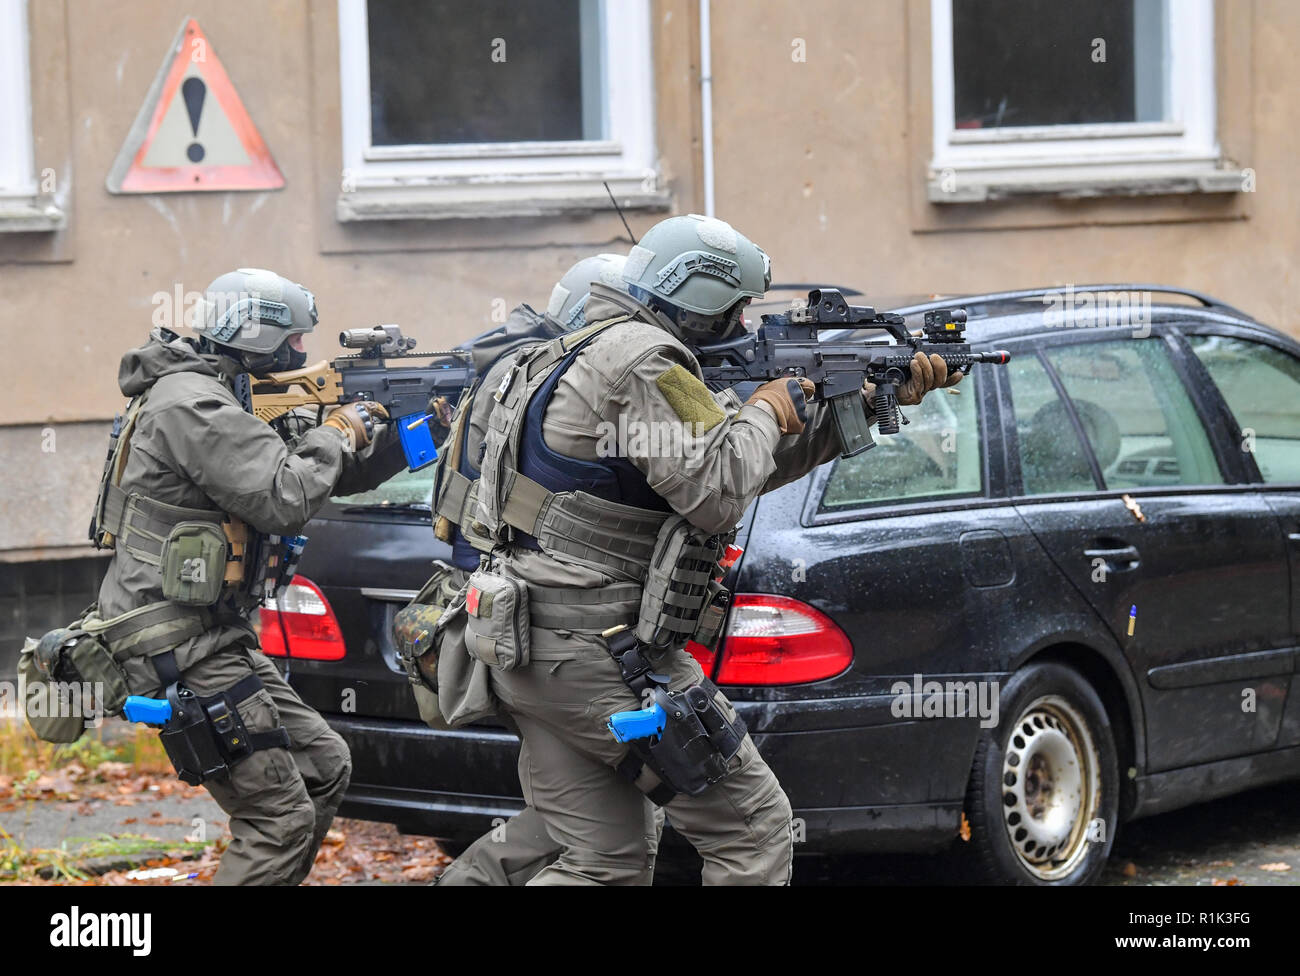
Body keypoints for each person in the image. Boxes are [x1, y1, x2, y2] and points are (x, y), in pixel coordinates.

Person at [437, 214, 961, 884]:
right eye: (737, 309)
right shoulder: (644, 360)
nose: (744, 327)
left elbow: (729, 470)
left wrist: (854, 407)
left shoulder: (574, 351)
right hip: (607, 654)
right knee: (754, 831)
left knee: (605, 859)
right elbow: (717, 492)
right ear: (702, 297)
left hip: (531, 648)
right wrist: (766, 409)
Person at [74, 269, 402, 885]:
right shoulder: (195, 405)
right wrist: (338, 429)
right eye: (295, 340)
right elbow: (283, 495)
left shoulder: (228, 394)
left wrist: (412, 435)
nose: (303, 352)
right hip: (174, 642)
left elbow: (320, 476)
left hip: (212, 635)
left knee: (322, 766)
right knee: (276, 818)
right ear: (259, 338)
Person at [395, 253, 664, 885]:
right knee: (610, 839)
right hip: (532, 622)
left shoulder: (516, 372)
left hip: (502, 618)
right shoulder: (555, 387)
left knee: (572, 822)